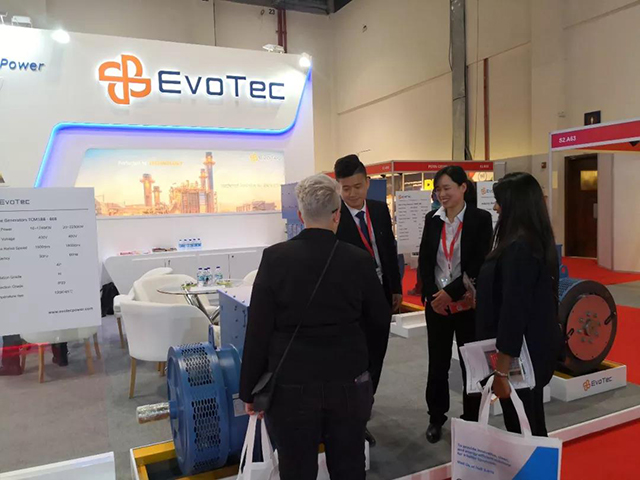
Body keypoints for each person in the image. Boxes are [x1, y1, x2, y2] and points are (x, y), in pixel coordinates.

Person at [239, 174, 391, 480]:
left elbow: (258, 330)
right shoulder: (359, 260)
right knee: (349, 467)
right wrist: (368, 374)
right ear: (337, 215)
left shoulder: (275, 258)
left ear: (300, 215)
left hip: (291, 384)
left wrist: (248, 390)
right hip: (348, 380)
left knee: (296, 468)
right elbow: (379, 322)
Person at [475, 172, 562, 436]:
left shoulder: (519, 248)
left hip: (521, 356)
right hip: (530, 350)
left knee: (524, 426)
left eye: (499, 201)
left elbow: (515, 311)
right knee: (529, 420)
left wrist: (502, 371)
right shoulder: (532, 241)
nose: (495, 207)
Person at [418, 165, 493, 443]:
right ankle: (436, 417)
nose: (442, 194)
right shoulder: (432, 219)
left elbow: (479, 262)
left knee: (471, 363)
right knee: (437, 363)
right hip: (437, 304)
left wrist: (451, 292)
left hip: (467, 303)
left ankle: (472, 419)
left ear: (463, 187)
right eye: (438, 189)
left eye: (447, 188)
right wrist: (432, 295)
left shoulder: (480, 219)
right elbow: (426, 260)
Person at [333, 154, 402, 445]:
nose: (351, 194)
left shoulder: (378, 209)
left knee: (377, 355)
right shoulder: (334, 217)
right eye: (345, 188)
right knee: (355, 361)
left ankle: (366, 405)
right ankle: (355, 418)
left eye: (357, 186)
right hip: (352, 302)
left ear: (368, 183)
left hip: (382, 295)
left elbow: (388, 249)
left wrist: (396, 287)